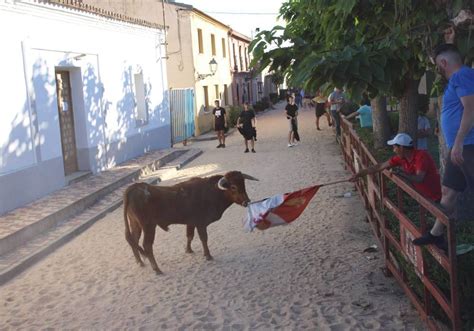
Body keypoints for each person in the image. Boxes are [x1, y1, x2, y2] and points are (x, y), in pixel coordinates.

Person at [412, 43, 474, 249]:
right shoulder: (460, 76)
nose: (438, 70)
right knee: (448, 191)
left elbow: (470, 109)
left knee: (451, 191)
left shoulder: (462, 75)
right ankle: (436, 234)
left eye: (438, 66)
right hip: (461, 146)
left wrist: (457, 142)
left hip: (467, 145)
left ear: (444, 63)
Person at [351, 133, 442, 202]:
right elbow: (380, 166)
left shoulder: (421, 156)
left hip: (435, 197)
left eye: (394, 147)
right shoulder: (401, 158)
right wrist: (358, 174)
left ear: (401, 148)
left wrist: (400, 173)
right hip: (422, 197)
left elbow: (419, 178)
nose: (393, 150)